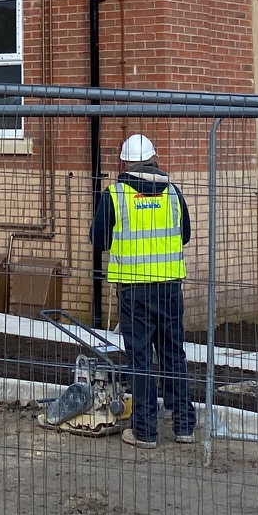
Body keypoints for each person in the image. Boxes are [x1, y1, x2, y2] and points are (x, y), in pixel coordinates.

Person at [93, 133, 195, 448]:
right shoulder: (174, 194)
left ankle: (145, 431)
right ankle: (185, 427)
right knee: (173, 355)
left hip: (134, 290)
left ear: (123, 162)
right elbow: (185, 235)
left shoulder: (115, 194)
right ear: (154, 159)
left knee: (140, 360)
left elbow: (98, 239)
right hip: (168, 288)